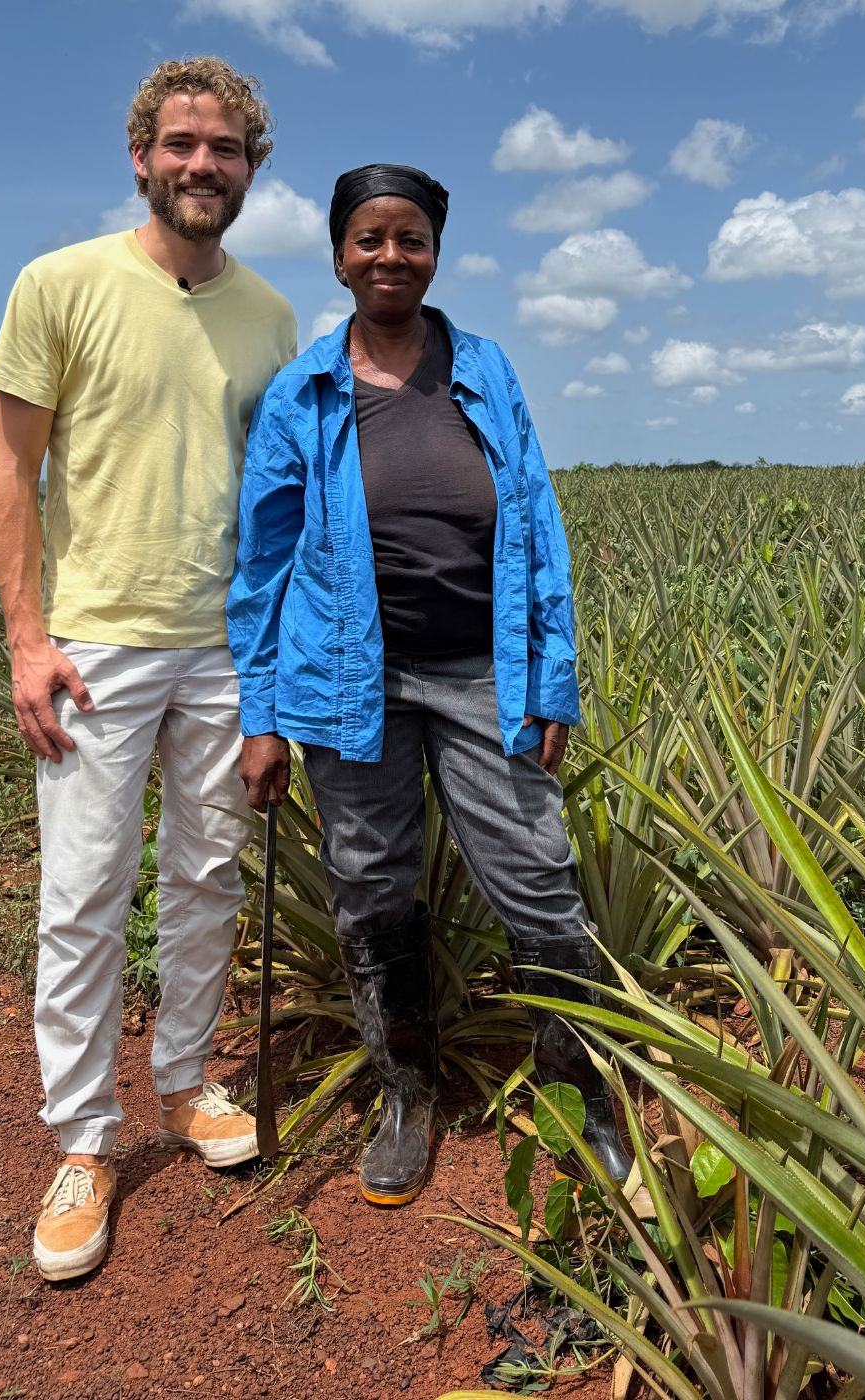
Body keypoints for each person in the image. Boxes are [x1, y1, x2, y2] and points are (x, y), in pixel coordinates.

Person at [229, 164, 630, 1208]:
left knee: (536, 873)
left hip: (479, 668)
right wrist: (261, 714)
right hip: (344, 676)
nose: (389, 256)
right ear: (338, 255)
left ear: (434, 252)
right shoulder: (305, 390)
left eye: (409, 238)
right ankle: (405, 1087)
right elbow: (263, 560)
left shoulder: (484, 368)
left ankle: (575, 1082)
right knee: (369, 879)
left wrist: (551, 681)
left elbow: (535, 522)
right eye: (369, 239)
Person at [0, 57, 297, 1281]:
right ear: (140, 155)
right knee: (84, 891)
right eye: (180, 144)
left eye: (223, 149)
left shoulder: (270, 315)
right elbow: (11, 465)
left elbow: (272, 503)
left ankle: (181, 1080)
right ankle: (81, 1137)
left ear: (250, 167)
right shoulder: (59, 283)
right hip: (96, 640)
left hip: (222, 640)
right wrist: (25, 636)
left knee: (206, 873)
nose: (200, 165)